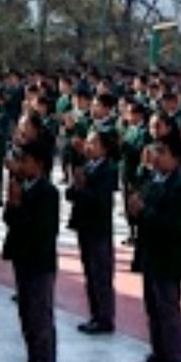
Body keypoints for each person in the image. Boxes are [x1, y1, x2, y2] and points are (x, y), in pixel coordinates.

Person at [129, 137, 181, 362]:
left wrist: (145, 212)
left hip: (169, 256)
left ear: (176, 159)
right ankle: (159, 352)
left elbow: (175, 226)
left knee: (168, 309)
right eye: (155, 151)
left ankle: (175, 360)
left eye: (162, 152)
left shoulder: (179, 187)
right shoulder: (153, 181)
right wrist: (136, 211)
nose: (156, 156)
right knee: (153, 307)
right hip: (151, 253)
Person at [4, 139, 60, 362]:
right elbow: (10, 219)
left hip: (38, 261)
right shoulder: (24, 187)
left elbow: (41, 230)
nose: (20, 165)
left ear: (38, 164)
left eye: (25, 161)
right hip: (23, 259)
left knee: (40, 318)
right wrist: (12, 203)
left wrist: (18, 205)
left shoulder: (48, 192)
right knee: (26, 315)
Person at [67, 129, 118, 334]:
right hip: (84, 226)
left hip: (98, 227)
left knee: (100, 274)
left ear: (104, 148)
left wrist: (83, 187)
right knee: (89, 272)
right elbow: (71, 194)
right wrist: (76, 185)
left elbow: (100, 201)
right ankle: (95, 314)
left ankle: (105, 318)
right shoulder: (87, 166)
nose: (88, 146)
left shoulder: (108, 169)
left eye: (93, 143)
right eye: (87, 143)